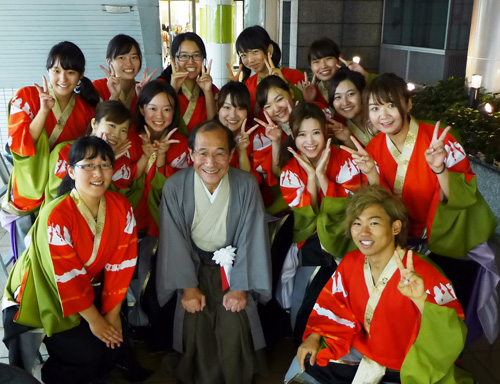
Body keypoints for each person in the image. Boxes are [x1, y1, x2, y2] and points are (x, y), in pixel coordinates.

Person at [354, 73, 499, 342]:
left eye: (390, 105)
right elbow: (383, 205)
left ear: (408, 105)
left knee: (447, 311)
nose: (383, 115)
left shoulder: (438, 139)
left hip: (446, 236)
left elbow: (464, 193)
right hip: (405, 239)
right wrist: (371, 174)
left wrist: (439, 167)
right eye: (374, 108)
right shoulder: (374, 147)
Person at [286, 185, 473, 384]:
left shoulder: (425, 273)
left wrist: (420, 301)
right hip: (362, 352)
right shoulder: (351, 262)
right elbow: (333, 305)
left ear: (395, 227)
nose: (363, 232)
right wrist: (314, 336)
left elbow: (451, 334)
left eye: (373, 223)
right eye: (357, 223)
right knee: (304, 365)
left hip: (410, 363)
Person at [2, 136, 139, 383]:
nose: (97, 172)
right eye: (87, 165)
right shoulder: (56, 215)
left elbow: (123, 262)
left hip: (90, 289)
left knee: (115, 343)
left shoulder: (121, 206)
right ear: (71, 171)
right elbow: (65, 275)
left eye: (105, 165)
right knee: (85, 352)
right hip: (48, 291)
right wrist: (96, 321)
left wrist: (112, 314)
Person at [156, 120, 272, 384]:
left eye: (220, 153)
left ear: (231, 155)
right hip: (193, 266)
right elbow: (173, 240)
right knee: (194, 318)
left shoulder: (246, 184)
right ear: (191, 155)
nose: (211, 162)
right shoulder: (175, 187)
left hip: (232, 269)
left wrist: (240, 287)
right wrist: (187, 287)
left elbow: (251, 236)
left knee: (233, 319)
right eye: (203, 153)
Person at [277, 103, 368, 341]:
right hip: (311, 240)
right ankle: (305, 339)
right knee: (309, 292)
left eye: (316, 132)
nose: (310, 141)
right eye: (302, 134)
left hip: (347, 236)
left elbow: (351, 206)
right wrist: (310, 178)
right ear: (293, 137)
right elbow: (310, 214)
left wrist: (322, 177)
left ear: (326, 132)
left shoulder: (345, 157)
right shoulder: (289, 170)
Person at [3, 41, 99, 258]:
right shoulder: (26, 97)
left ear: (80, 75)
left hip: (59, 197)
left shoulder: (85, 111)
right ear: (48, 71)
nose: (63, 78)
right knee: (26, 261)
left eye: (70, 72)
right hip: (28, 193)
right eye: (56, 71)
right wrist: (43, 112)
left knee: (52, 260)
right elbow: (19, 146)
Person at [44, 100, 139, 204]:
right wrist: (106, 159)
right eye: (112, 125)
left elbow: (122, 199)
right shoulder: (64, 151)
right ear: (94, 123)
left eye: (123, 130)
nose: (116, 134)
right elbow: (59, 193)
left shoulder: (122, 161)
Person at [234, 25, 305, 120]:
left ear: (269, 49)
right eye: (244, 55)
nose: (250, 60)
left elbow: (309, 111)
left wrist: (287, 85)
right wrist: (232, 90)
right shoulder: (248, 85)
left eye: (255, 52)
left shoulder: (295, 76)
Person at [157, 32, 217, 135]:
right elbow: (157, 120)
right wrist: (173, 89)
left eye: (196, 55)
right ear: (173, 59)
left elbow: (214, 127)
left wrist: (208, 92)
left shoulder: (211, 89)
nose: (191, 61)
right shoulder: (159, 86)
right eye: (184, 56)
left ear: (203, 59)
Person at [302, 37, 368, 120]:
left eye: (328, 59)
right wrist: (309, 102)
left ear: (339, 58)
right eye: (316, 62)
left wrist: (364, 78)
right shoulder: (313, 92)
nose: (323, 66)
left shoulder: (354, 83)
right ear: (310, 66)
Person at [93, 34, 157, 114]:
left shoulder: (143, 89)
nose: (129, 63)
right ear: (109, 62)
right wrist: (114, 97)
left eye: (134, 57)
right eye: (122, 58)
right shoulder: (97, 88)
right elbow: (96, 123)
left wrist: (144, 99)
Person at [329, 67, 375, 147]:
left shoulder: (380, 116)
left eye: (351, 94)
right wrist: (348, 141)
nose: (345, 102)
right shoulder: (339, 126)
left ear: (362, 93)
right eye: (338, 97)